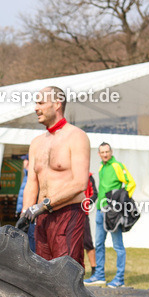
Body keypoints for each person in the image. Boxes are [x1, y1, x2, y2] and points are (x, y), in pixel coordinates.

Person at [20, 86, 91, 266]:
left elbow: (80, 183)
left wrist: (43, 205)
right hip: (42, 218)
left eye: (41, 103)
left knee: (65, 272)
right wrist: (25, 213)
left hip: (68, 213)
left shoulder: (76, 136)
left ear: (57, 104)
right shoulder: (36, 143)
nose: (36, 108)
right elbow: (31, 183)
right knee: (43, 272)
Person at [84, 143, 135, 287]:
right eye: (102, 152)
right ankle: (99, 276)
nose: (105, 154)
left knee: (118, 246)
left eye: (107, 151)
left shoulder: (117, 166)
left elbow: (131, 183)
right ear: (99, 154)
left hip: (112, 213)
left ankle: (119, 279)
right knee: (99, 244)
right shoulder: (101, 167)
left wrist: (121, 201)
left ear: (111, 152)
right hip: (100, 211)